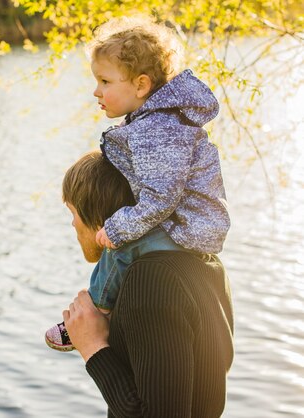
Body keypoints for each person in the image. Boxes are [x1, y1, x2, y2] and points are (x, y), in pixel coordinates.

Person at [45, 16, 230, 351]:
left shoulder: (157, 129)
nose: (96, 91)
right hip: (187, 223)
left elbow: (161, 197)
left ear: (141, 85)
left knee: (121, 244)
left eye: (105, 81)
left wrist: (119, 228)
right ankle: (102, 304)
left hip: (186, 228)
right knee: (122, 242)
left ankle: (97, 313)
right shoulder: (157, 120)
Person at [61, 150, 234, 417]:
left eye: (71, 211)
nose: (72, 223)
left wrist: (93, 346)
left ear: (99, 220)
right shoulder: (207, 263)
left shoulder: (150, 278)